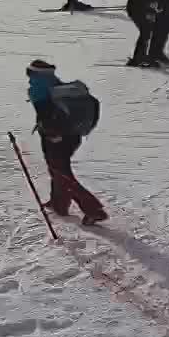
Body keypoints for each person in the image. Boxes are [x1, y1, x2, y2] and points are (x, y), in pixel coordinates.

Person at [28, 60, 106, 224]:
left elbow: (46, 114)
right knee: (58, 169)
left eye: (30, 73)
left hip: (56, 136)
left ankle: (93, 209)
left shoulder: (39, 89)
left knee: (61, 172)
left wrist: (52, 133)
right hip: (72, 135)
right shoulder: (55, 84)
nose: (28, 77)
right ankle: (59, 203)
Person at [125, 0, 168, 66]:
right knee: (146, 32)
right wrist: (159, 4)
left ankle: (141, 57)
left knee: (146, 32)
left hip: (134, 8)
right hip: (139, 9)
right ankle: (138, 59)